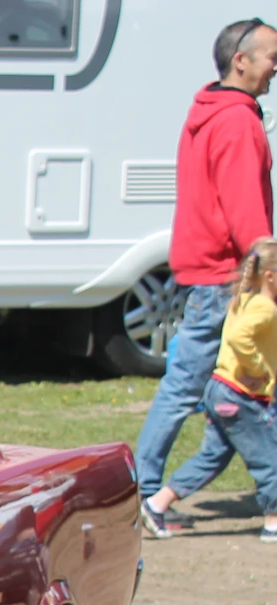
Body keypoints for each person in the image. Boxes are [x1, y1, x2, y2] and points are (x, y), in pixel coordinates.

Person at [135, 17, 277, 537]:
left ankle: (156, 490)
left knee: (228, 391)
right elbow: (244, 207)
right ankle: (144, 492)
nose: (275, 68)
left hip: (209, 270)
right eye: (271, 58)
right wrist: (264, 269)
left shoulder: (208, 109)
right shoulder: (238, 122)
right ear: (241, 60)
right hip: (226, 277)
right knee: (198, 388)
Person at [144, 237, 277, 542]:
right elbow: (241, 338)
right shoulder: (265, 309)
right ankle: (273, 522)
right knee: (270, 456)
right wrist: (258, 369)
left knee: (212, 458)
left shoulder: (241, 299)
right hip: (242, 397)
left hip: (220, 390)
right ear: (269, 275)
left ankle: (155, 503)